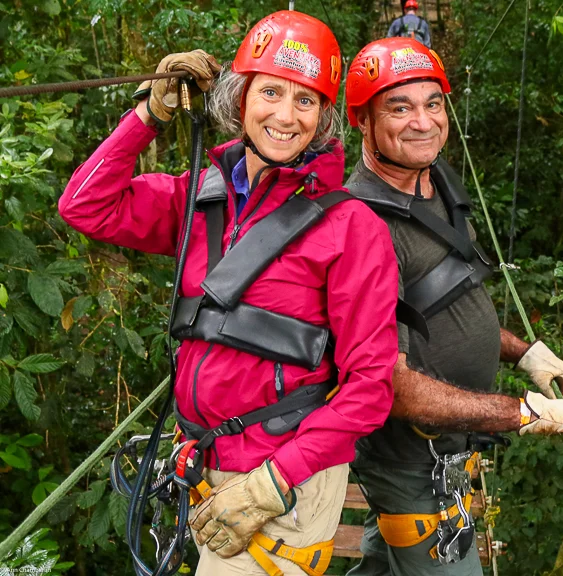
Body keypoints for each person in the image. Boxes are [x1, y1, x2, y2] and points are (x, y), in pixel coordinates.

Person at [59, 11, 399, 576]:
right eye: (270, 91)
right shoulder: (201, 198)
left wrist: (275, 479)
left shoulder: (350, 227)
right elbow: (86, 206)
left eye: (306, 100)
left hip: (284, 482)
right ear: (240, 99)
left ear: (325, 117)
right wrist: (150, 114)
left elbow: (370, 386)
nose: (286, 116)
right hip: (209, 465)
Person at [343, 37, 563, 576]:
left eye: (433, 103)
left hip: (434, 459)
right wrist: (525, 412)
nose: (423, 122)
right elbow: (392, 385)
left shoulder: (434, 182)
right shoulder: (364, 227)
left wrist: (521, 350)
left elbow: (444, 300)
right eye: (399, 107)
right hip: (416, 467)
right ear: (362, 121)